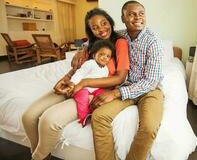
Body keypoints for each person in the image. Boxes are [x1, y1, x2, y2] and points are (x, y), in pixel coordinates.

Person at [22, 8, 129, 160]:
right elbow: (77, 69)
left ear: (110, 22)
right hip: (74, 84)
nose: (101, 29)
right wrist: (65, 79)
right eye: (95, 27)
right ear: (90, 31)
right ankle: (41, 155)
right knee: (29, 116)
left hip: (91, 91)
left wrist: (85, 83)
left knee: (48, 120)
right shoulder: (90, 45)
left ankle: (37, 158)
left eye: (104, 23)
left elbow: (120, 78)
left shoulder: (120, 42)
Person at [90, 0, 164, 160]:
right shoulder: (120, 36)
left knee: (150, 126)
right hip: (126, 86)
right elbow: (98, 40)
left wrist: (116, 93)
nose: (137, 17)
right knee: (99, 116)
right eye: (131, 14)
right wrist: (82, 50)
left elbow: (150, 82)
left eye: (141, 13)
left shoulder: (153, 41)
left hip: (150, 90)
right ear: (123, 18)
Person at [68, 40, 115, 126]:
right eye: (101, 54)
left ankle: (94, 111)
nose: (105, 57)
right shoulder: (90, 63)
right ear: (94, 55)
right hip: (83, 88)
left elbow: (103, 81)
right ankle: (83, 117)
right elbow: (80, 73)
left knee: (102, 95)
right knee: (83, 98)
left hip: (95, 89)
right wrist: (73, 84)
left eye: (108, 56)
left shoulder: (105, 69)